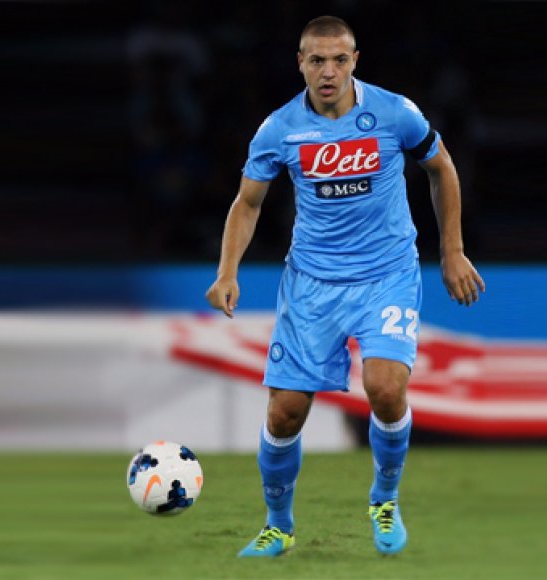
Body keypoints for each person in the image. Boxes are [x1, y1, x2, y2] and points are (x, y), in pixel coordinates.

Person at [205, 15, 485, 558]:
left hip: (387, 276)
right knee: (285, 411)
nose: (328, 71)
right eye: (317, 60)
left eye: (339, 60)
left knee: (386, 388)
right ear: (301, 64)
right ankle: (278, 526)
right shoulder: (279, 129)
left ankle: (384, 499)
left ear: (355, 61)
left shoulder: (395, 113)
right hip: (312, 285)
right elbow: (248, 202)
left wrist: (452, 251)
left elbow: (442, 168)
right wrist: (226, 272)